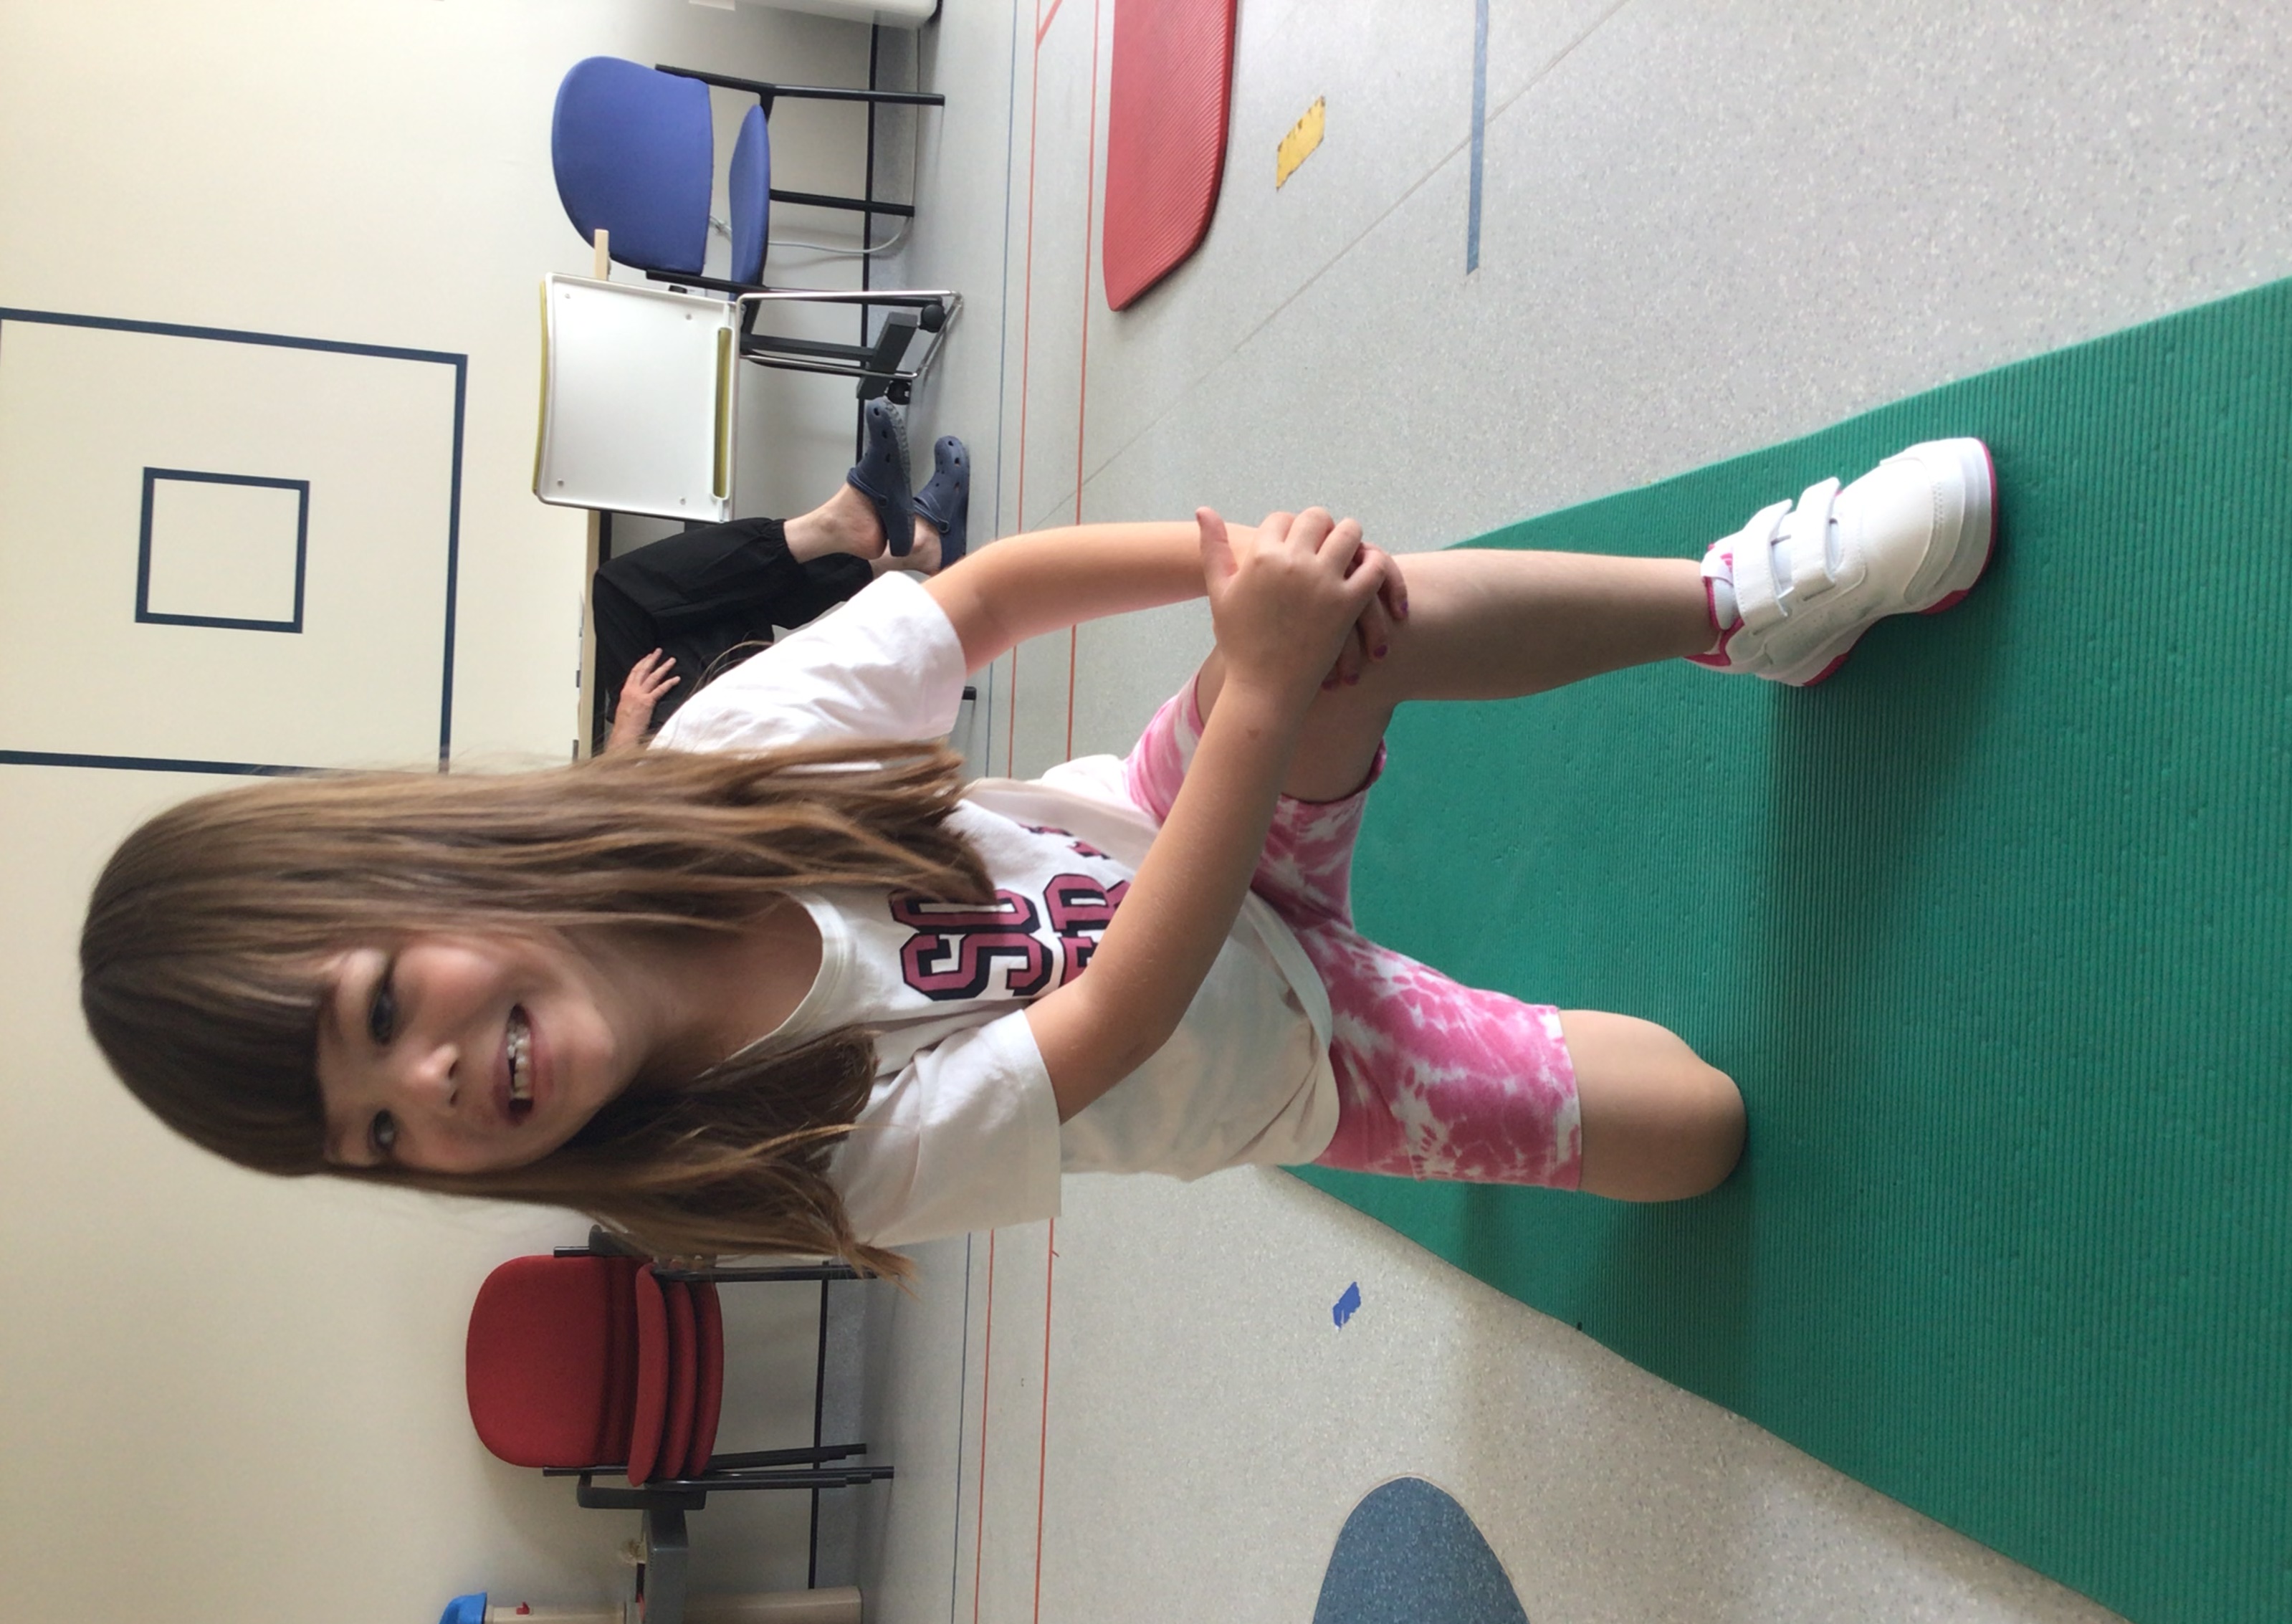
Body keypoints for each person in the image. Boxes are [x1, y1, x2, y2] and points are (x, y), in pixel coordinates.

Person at [79, 439, 1995, 1279]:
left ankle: (1753, 603)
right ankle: (1505, 1035)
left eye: (387, 1011)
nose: (434, 1082)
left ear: (426, 885)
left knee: (1362, 619)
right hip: (1280, 1056)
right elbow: (1119, 1022)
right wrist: (1254, 701)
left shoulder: (719, 765)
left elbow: (977, 601)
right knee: (1706, 1132)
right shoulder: (755, 1162)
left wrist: (1243, 595)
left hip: (1168, 824)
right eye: (382, 1129)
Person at [596, 405, 972, 752]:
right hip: (669, 775)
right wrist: (627, 734)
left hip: (638, 764)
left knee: (648, 600)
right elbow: (615, 821)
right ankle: (848, 530)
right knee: (637, 600)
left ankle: (905, 544)